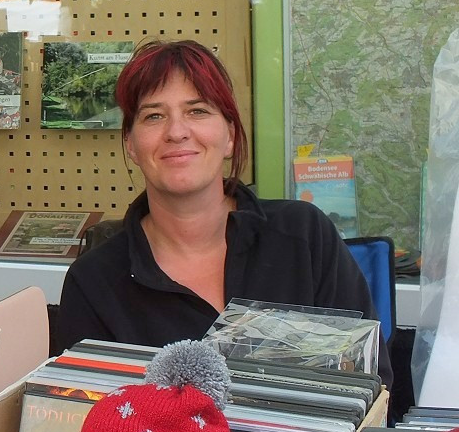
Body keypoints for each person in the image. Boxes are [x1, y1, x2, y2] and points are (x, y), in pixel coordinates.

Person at [55, 39, 392, 386]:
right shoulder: (94, 282)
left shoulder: (305, 237)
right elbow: (88, 423)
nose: (176, 132)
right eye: (154, 115)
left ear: (229, 135)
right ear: (131, 145)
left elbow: (370, 384)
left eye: (197, 111)